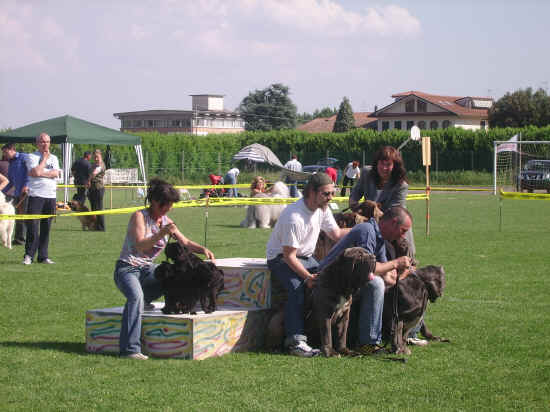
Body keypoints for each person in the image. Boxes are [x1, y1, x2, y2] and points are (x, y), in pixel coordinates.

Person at [114, 177, 215, 360]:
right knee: (135, 298)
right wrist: (161, 233)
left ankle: (155, 302)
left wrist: (203, 250)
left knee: (175, 277)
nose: (167, 209)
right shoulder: (139, 216)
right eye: (164, 206)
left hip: (148, 270)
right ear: (153, 202)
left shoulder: (167, 221)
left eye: (170, 206)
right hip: (127, 269)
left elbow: (185, 242)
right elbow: (140, 246)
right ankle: (129, 349)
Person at [266, 172, 350, 357]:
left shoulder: (323, 209)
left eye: (332, 193)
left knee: (330, 281)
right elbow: (289, 256)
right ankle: (295, 342)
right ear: (311, 193)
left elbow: (335, 234)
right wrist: (308, 277)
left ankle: (326, 336)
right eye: (326, 193)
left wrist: (362, 229)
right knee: (297, 288)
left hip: (304, 256)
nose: (331, 198)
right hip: (280, 258)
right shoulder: (294, 217)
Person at [318, 206, 413, 355]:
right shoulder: (367, 231)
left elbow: (386, 275)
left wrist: (403, 274)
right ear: (393, 222)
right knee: (375, 284)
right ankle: (368, 343)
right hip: (327, 282)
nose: (403, 236)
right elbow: (366, 269)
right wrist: (395, 263)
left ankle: (408, 335)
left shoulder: (380, 238)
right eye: (403, 230)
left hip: (345, 282)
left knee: (402, 282)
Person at [349, 145, 415, 257]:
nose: (384, 168)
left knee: (403, 260)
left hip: (394, 228)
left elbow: (392, 214)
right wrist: (355, 207)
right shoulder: (366, 173)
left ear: (395, 166)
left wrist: (367, 211)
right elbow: (354, 196)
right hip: (370, 225)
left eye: (388, 164)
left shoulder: (401, 185)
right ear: (377, 163)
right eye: (382, 163)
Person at [23, 133, 61, 265]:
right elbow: (35, 172)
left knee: (46, 228)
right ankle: (29, 255)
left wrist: (42, 173)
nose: (45, 144)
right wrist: (44, 159)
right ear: (37, 143)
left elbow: (56, 173)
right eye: (43, 141)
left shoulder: (55, 158)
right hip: (36, 195)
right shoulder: (31, 157)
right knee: (33, 226)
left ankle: (43, 256)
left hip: (50, 196)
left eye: (48, 141)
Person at [1, 143, 30, 245]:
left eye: (6, 152)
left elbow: (30, 171)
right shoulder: (11, 163)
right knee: (16, 216)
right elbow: (10, 181)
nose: (4, 155)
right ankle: (18, 238)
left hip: (26, 193)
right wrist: (1, 192)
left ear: (12, 149)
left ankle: (21, 239)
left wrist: (26, 185)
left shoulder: (24, 157)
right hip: (17, 193)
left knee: (23, 216)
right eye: (3, 153)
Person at [88, 149, 106, 231]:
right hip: (92, 189)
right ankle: (95, 226)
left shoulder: (101, 165)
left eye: (97, 157)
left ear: (100, 156)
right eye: (94, 157)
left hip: (98, 188)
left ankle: (101, 227)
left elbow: (94, 173)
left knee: (99, 208)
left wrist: (88, 180)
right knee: (93, 209)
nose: (95, 159)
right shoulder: (94, 164)